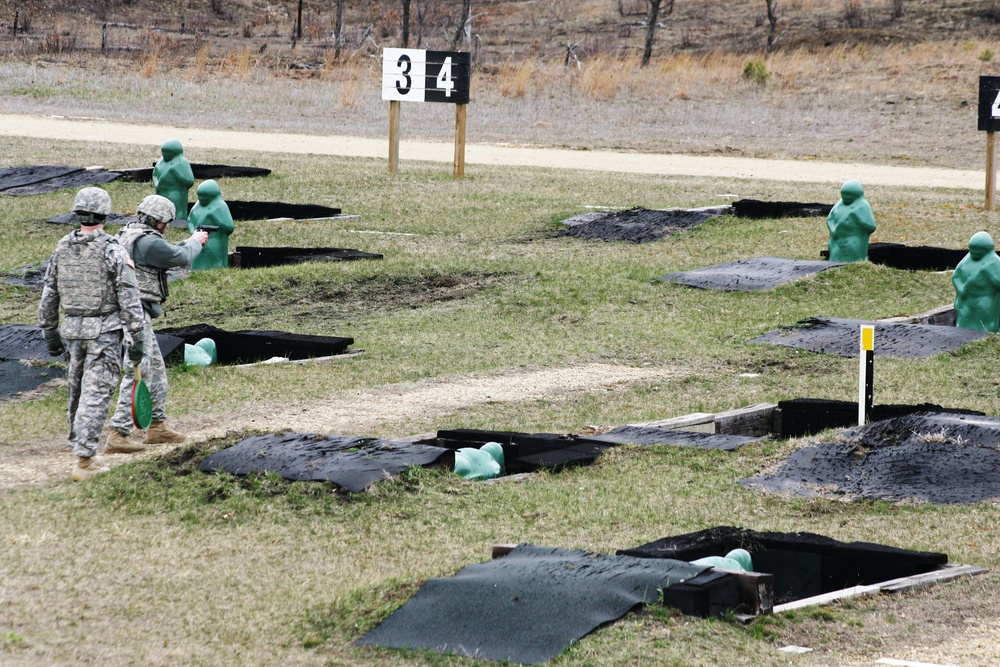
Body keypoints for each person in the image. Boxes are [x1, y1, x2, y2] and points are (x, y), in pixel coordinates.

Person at [38, 187, 147, 481]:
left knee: (75, 390)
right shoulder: (113, 249)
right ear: (105, 214)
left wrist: (50, 333)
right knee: (96, 394)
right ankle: (85, 459)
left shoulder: (62, 247)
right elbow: (129, 297)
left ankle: (79, 444)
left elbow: (49, 296)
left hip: (72, 329)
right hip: (104, 332)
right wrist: (137, 338)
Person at [105, 195, 208, 453]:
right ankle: (118, 432)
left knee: (156, 368)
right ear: (159, 220)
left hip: (134, 311)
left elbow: (169, 252)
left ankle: (157, 426)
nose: (168, 226)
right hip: (134, 312)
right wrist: (196, 242)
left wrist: (189, 242)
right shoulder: (148, 242)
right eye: (167, 222)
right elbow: (179, 257)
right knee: (138, 369)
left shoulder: (131, 234)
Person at [953, 231, 1000, 332]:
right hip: (965, 300)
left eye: (978, 251)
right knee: (964, 320)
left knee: (985, 323)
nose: (974, 253)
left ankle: (985, 337)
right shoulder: (967, 259)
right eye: (972, 250)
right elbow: (956, 276)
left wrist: (988, 274)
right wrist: (960, 289)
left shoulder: (994, 262)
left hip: (985, 300)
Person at [186, 179, 235, 270]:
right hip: (198, 239)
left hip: (214, 240)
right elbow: (189, 220)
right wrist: (194, 231)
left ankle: (214, 271)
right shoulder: (198, 205)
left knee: (214, 261)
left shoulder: (220, 206)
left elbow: (229, 227)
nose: (202, 199)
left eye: (205, 196)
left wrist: (214, 217)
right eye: (200, 196)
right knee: (198, 258)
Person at [826, 180, 876, 263]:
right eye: (843, 194)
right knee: (835, 258)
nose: (845, 197)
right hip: (836, 240)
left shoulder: (863, 206)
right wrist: (833, 230)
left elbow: (871, 226)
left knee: (852, 259)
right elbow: (829, 219)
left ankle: (853, 267)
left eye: (848, 194)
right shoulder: (839, 204)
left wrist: (858, 218)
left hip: (853, 240)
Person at [153, 138, 195, 223]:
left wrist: (176, 172)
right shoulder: (161, 161)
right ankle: (162, 219)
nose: (165, 155)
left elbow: (189, 181)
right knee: (162, 207)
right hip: (161, 190)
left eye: (168, 153)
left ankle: (178, 221)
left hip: (175, 192)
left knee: (176, 208)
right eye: (164, 152)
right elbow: (155, 174)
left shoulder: (181, 162)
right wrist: (157, 183)